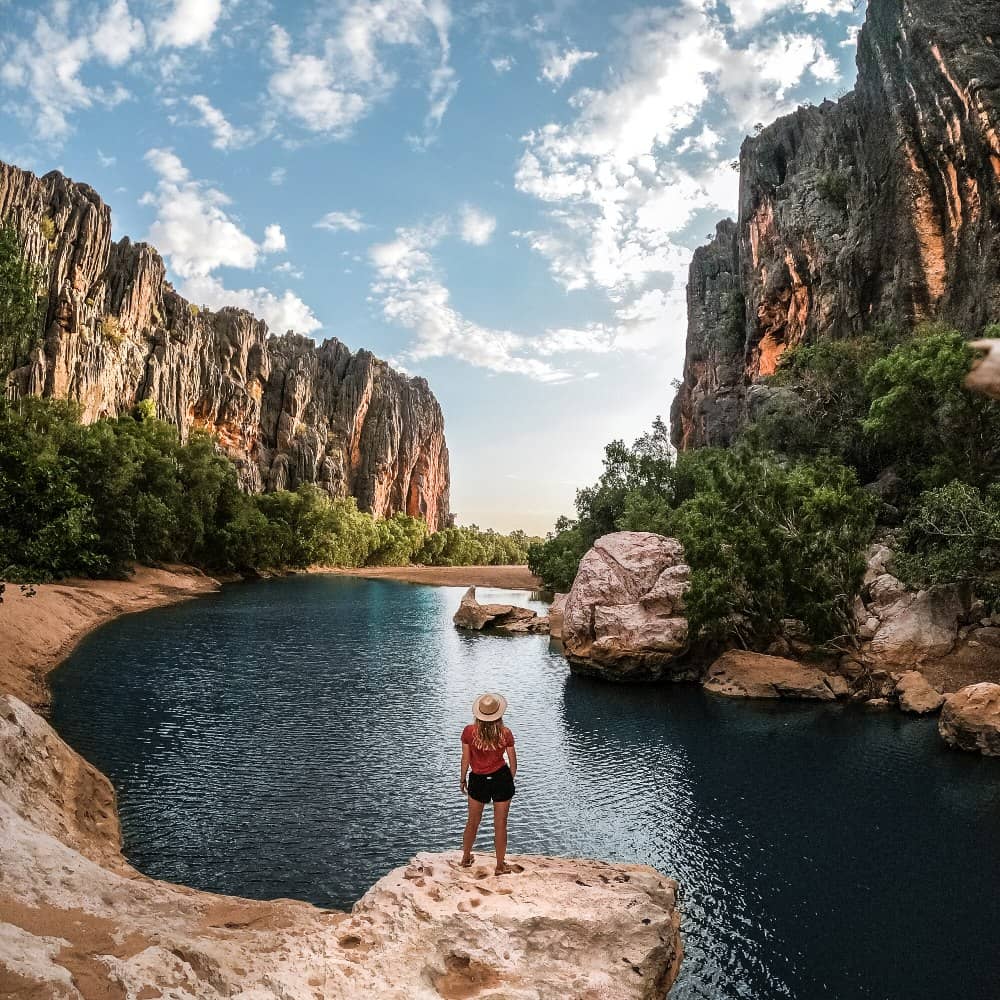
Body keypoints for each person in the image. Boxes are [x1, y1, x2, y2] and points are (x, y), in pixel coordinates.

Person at [460, 692, 517, 875]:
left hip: (478, 780)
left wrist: (462, 779)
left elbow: (466, 759)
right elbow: (513, 762)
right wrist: (508, 780)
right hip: (501, 778)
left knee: (472, 822)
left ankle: (466, 858)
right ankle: (500, 866)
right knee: (500, 824)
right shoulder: (505, 733)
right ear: (498, 714)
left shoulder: (469, 732)